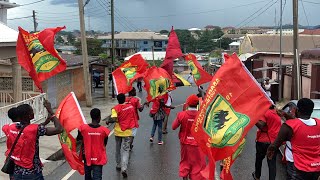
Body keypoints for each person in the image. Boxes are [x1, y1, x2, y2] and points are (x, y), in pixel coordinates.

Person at [2, 101, 63, 180]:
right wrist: (50, 111)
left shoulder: (8, 127)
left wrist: (45, 122)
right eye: (31, 111)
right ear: (27, 116)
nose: (33, 113)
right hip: (31, 172)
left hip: (14, 171)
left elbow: (27, 129)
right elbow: (59, 129)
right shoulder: (35, 129)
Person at [267, 98, 320, 180]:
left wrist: (270, 150)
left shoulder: (289, 126)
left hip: (296, 165)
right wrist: (285, 115)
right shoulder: (318, 123)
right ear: (311, 111)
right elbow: (302, 124)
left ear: (297, 110)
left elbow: (276, 143)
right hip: (316, 166)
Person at [172, 94, 206, 180]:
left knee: (185, 162)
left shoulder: (182, 115)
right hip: (197, 145)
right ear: (197, 104)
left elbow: (173, 127)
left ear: (187, 104)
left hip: (185, 144)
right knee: (197, 165)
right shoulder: (201, 116)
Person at [107, 93, 137, 178]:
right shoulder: (130, 107)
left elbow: (113, 119)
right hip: (127, 132)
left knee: (117, 148)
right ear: (125, 99)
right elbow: (133, 117)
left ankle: (118, 165)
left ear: (117, 100)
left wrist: (108, 121)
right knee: (126, 150)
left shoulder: (115, 109)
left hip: (118, 132)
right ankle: (124, 168)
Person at [77, 108, 110, 180]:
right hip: (98, 158)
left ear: (91, 116)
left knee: (87, 177)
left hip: (87, 157)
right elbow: (104, 144)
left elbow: (78, 139)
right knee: (97, 177)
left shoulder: (83, 128)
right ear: (99, 117)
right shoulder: (104, 131)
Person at [252, 105, 281, 180]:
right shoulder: (276, 114)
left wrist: (253, 118)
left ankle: (257, 176)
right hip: (274, 142)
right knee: (272, 164)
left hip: (263, 141)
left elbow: (261, 125)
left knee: (259, 159)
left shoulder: (265, 112)